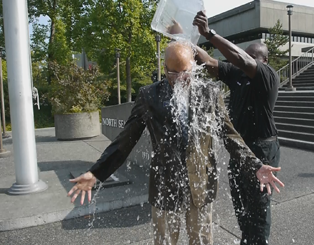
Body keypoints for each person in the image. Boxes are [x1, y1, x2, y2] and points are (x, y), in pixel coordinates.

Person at [67, 41, 284, 245]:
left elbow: (230, 135)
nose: (180, 78)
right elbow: (126, 139)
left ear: (194, 66)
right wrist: (96, 173)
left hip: (200, 185)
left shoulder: (209, 93)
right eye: (173, 73)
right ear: (164, 68)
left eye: (185, 72)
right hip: (165, 185)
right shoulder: (149, 96)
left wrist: (255, 165)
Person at [193, 11, 281, 245]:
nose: (247, 58)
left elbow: (241, 59)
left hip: (262, 149)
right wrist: (185, 41)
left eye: (254, 56)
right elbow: (209, 62)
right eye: (247, 54)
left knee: (259, 208)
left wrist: (210, 34)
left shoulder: (268, 77)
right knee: (241, 204)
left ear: (264, 61)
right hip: (240, 149)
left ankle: (258, 241)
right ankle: (247, 240)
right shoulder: (237, 74)